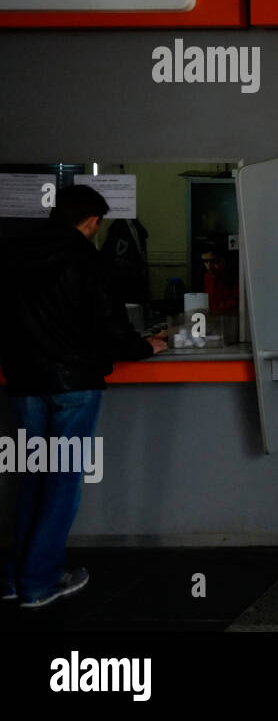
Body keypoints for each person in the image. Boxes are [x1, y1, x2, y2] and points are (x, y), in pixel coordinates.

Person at [0, 185, 165, 609]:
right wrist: (148, 347)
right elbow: (110, 330)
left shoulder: (14, 254)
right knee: (62, 483)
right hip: (73, 386)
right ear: (91, 221)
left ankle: (15, 578)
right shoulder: (87, 261)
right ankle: (40, 582)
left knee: (33, 478)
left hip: (24, 384)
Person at [201, 245, 239, 316]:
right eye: (206, 262)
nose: (209, 267)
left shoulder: (236, 277)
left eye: (215, 262)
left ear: (225, 260)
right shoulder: (208, 276)